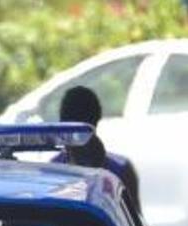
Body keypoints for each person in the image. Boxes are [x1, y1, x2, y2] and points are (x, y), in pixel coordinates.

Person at [54, 86, 142, 215]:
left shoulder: (52, 170)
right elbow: (135, 223)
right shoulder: (121, 169)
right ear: (97, 119)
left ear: (62, 122)